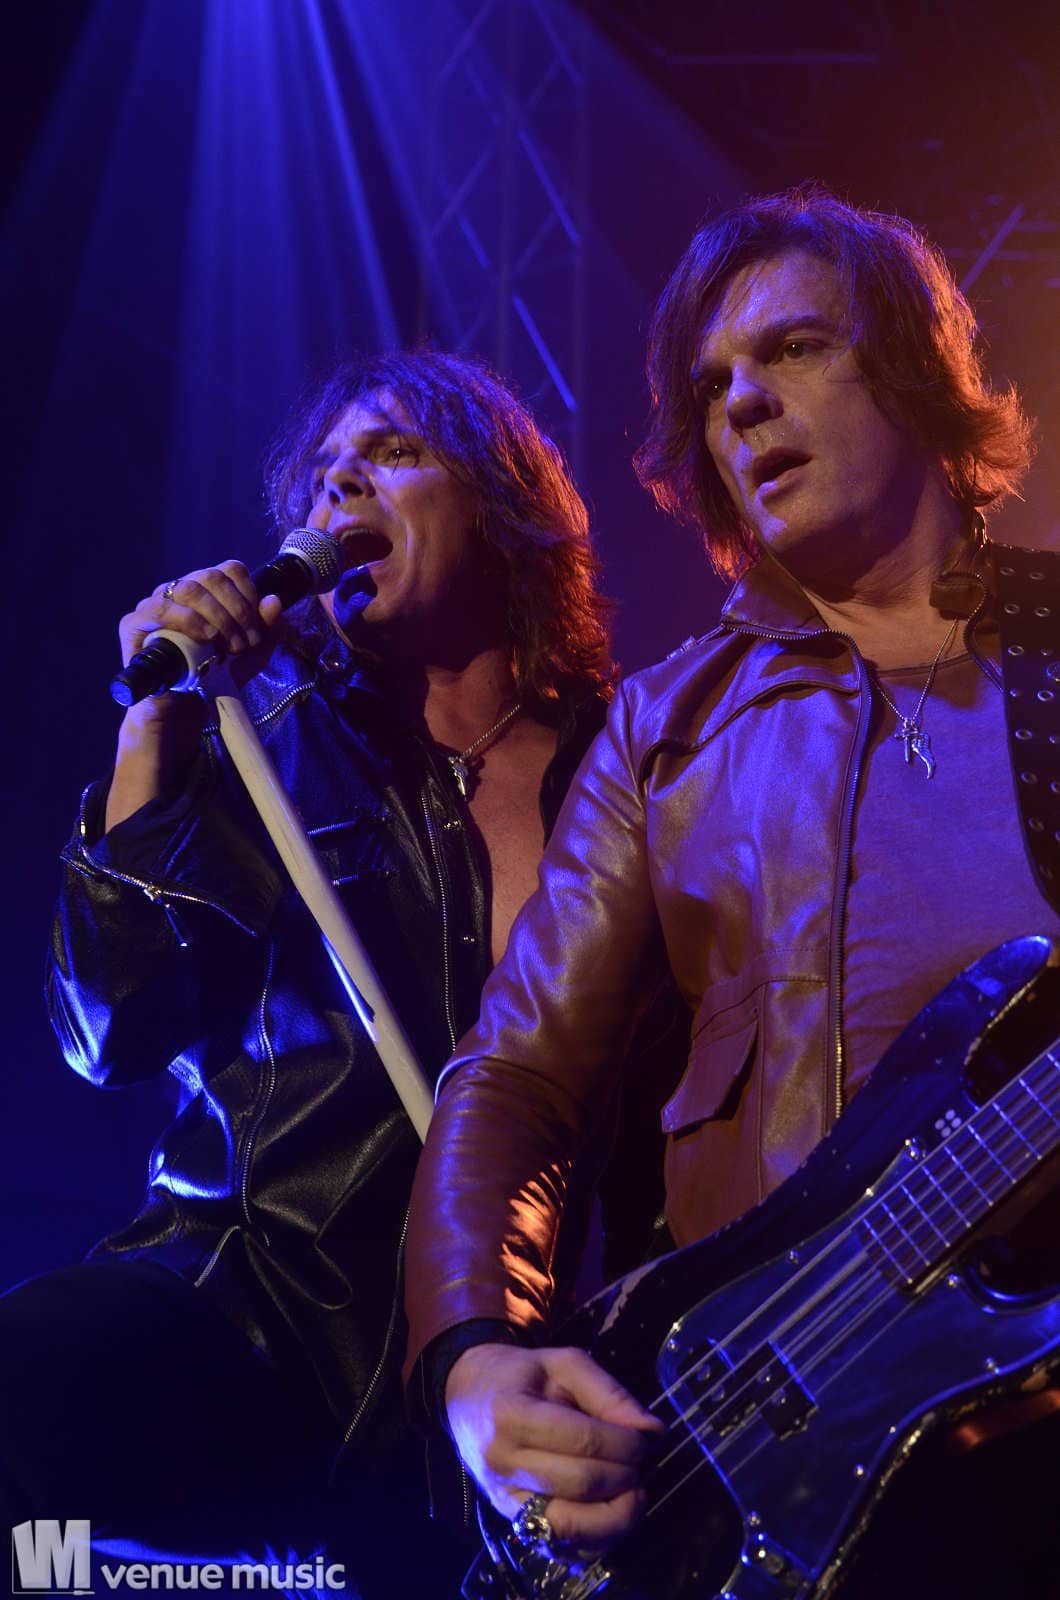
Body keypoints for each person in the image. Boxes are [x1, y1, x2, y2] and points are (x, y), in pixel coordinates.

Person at [402, 189, 1060, 1597]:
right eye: (712, 387)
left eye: (796, 348)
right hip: (747, 1435)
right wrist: (474, 1351)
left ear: (916, 367)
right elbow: (518, 1074)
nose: (744, 402)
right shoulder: (666, 728)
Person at [12, 350, 615, 1594]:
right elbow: (110, 1029)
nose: (342, 484)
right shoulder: (262, 740)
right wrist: (155, 723)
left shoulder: (624, 765)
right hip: (247, 1311)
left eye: (394, 452)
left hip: (499, 1375)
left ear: (507, 505)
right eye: (326, 470)